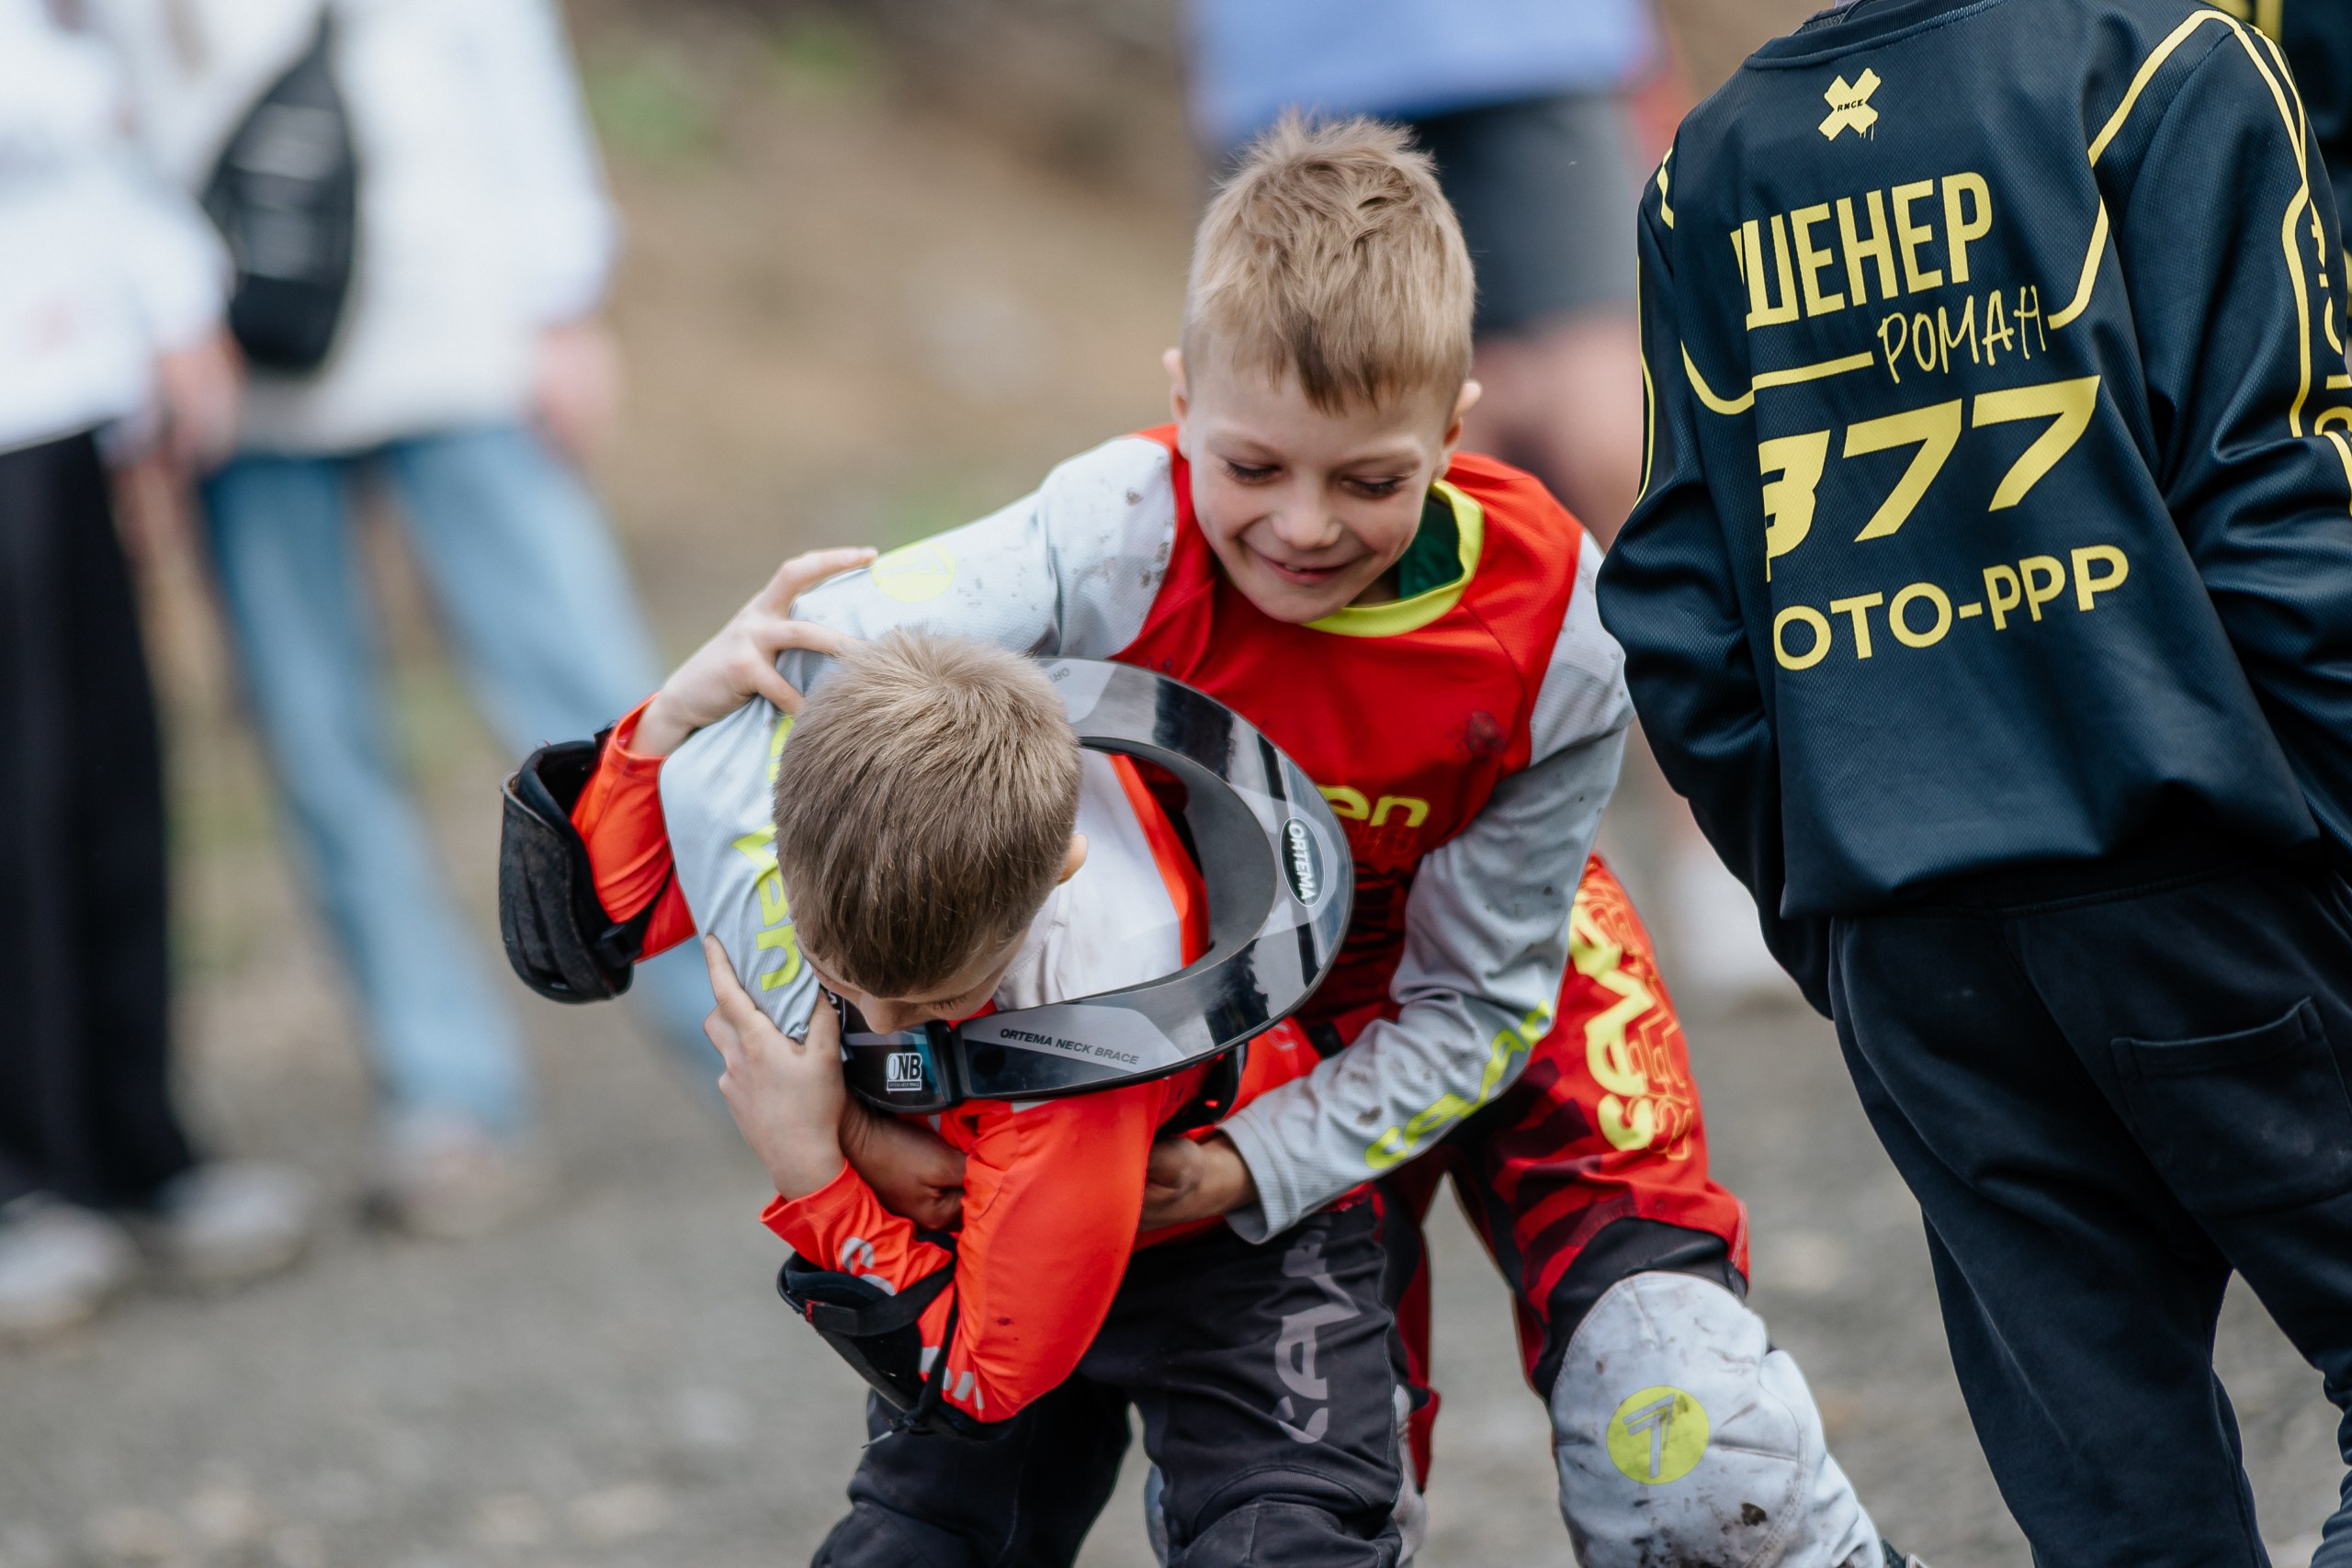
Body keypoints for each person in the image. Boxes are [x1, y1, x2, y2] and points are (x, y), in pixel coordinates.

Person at [617, 117, 1901, 1567]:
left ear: (1455, 432)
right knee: (1298, 1519)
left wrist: (1254, 1163)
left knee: (1698, 1442)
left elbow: (1479, 997)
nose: (1302, 525)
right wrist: (851, 1081)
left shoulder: (1558, 622)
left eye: (1369, 480)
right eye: (1252, 465)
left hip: (1491, 977)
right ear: (1179, 406)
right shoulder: (1111, 529)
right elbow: (787, 697)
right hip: (1182, 1029)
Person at [1598, 1, 2352, 1562]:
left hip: (1913, 947)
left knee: (2113, 1492)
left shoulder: (1711, 164)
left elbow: (1677, 611)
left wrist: (1833, 903)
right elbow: (2285, 521)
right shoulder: (2164, 63)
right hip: (2198, 873)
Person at [571, 615, 1408, 1565]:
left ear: (1061, 872)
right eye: (841, 978)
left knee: (1279, 1543)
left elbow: (978, 1379)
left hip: (1230, 1244)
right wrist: (675, 712)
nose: (883, 1027)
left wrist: (814, 1161)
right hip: (987, 1221)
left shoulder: (1088, 1017)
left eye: (938, 998)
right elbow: (572, 927)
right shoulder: (800, 808)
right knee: (911, 1550)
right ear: (779, 829)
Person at [93, 0, 714, 1235]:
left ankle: (743, 1021)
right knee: (324, 750)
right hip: (243, 370)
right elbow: (101, 125)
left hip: (460, 335)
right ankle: (448, 1094)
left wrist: (561, 295)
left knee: (600, 713)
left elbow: (509, 62)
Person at [1182, 0, 1793, 1007]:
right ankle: (1538, 881)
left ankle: (1721, 851)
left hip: (1529, 46)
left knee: (1620, 451)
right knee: (1410, 492)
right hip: (1292, 68)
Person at [0, 0, 314, 1338]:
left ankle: (137, 1138)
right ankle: (22, 1178)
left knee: (110, 779)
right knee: (10, 800)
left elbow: (109, 146)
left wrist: (175, 316)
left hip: (73, 393)